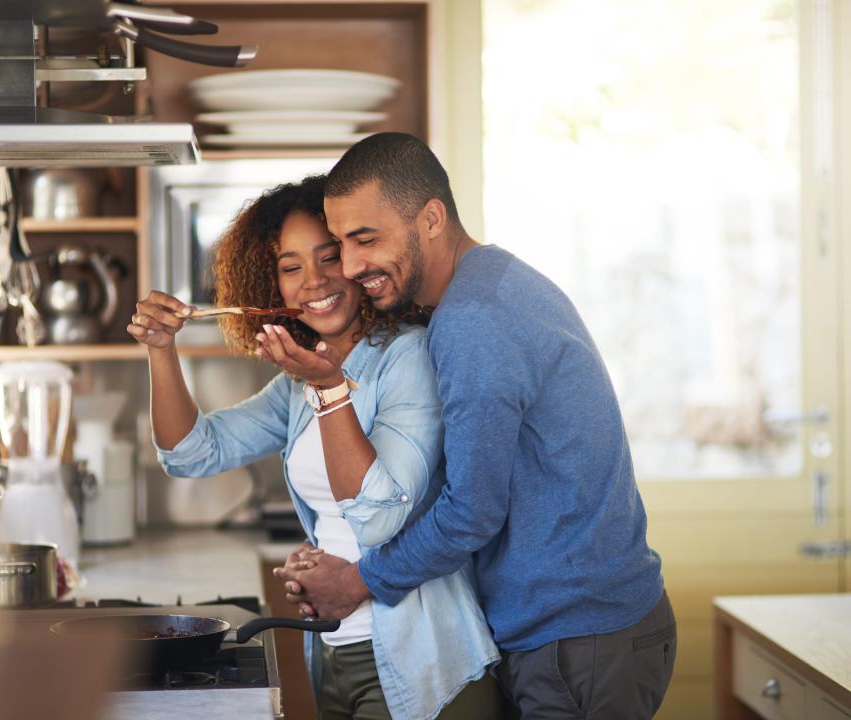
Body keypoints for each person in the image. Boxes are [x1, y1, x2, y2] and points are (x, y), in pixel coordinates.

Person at [275, 134, 677, 719]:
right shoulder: (492, 283)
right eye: (342, 243)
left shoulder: (471, 322)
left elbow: (472, 511)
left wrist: (361, 580)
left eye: (367, 239)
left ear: (431, 218)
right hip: (580, 628)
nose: (353, 265)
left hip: (576, 639)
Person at [125, 174, 500, 720]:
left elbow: (376, 517)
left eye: (329, 258)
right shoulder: (300, 383)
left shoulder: (405, 357)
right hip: (333, 652)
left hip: (424, 660)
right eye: (290, 267)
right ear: (270, 286)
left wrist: (330, 391)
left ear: (357, 261)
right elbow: (192, 453)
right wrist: (162, 350)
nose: (314, 281)